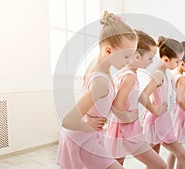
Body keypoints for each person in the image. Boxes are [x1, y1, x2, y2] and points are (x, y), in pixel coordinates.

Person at [57, 10, 138, 169]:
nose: (129, 62)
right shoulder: (101, 81)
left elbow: (93, 101)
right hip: (81, 138)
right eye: (127, 56)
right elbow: (68, 121)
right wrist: (89, 125)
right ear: (108, 50)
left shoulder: (96, 65)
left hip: (88, 135)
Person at [104, 30, 166, 168]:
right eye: (150, 58)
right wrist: (127, 117)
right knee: (161, 165)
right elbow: (117, 104)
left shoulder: (125, 74)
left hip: (122, 129)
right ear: (137, 56)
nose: (151, 62)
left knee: (117, 164)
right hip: (126, 130)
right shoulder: (129, 77)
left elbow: (130, 99)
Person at [140, 36, 185, 169]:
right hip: (158, 120)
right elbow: (143, 95)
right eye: (177, 62)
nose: (179, 65)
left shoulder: (164, 71)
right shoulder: (159, 74)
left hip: (160, 119)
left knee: (153, 162)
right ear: (166, 59)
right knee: (183, 155)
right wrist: (155, 109)